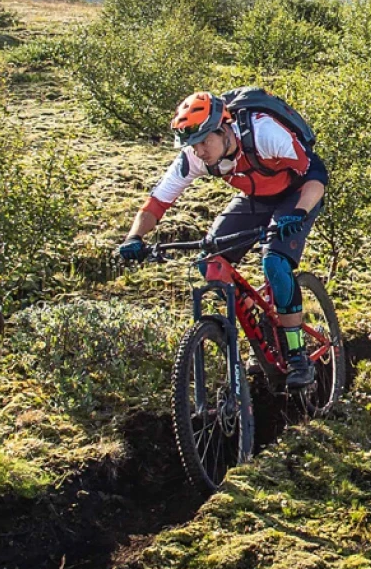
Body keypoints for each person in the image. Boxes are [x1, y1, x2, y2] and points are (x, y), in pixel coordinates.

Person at [118, 91, 328, 390]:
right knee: (210, 263)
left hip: (299, 194)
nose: (200, 151)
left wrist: (298, 213)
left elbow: (315, 176)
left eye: (205, 141)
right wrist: (134, 237)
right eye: (193, 144)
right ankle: (264, 324)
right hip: (255, 197)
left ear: (224, 128)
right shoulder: (194, 157)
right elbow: (156, 203)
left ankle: (297, 355)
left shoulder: (265, 133)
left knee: (275, 262)